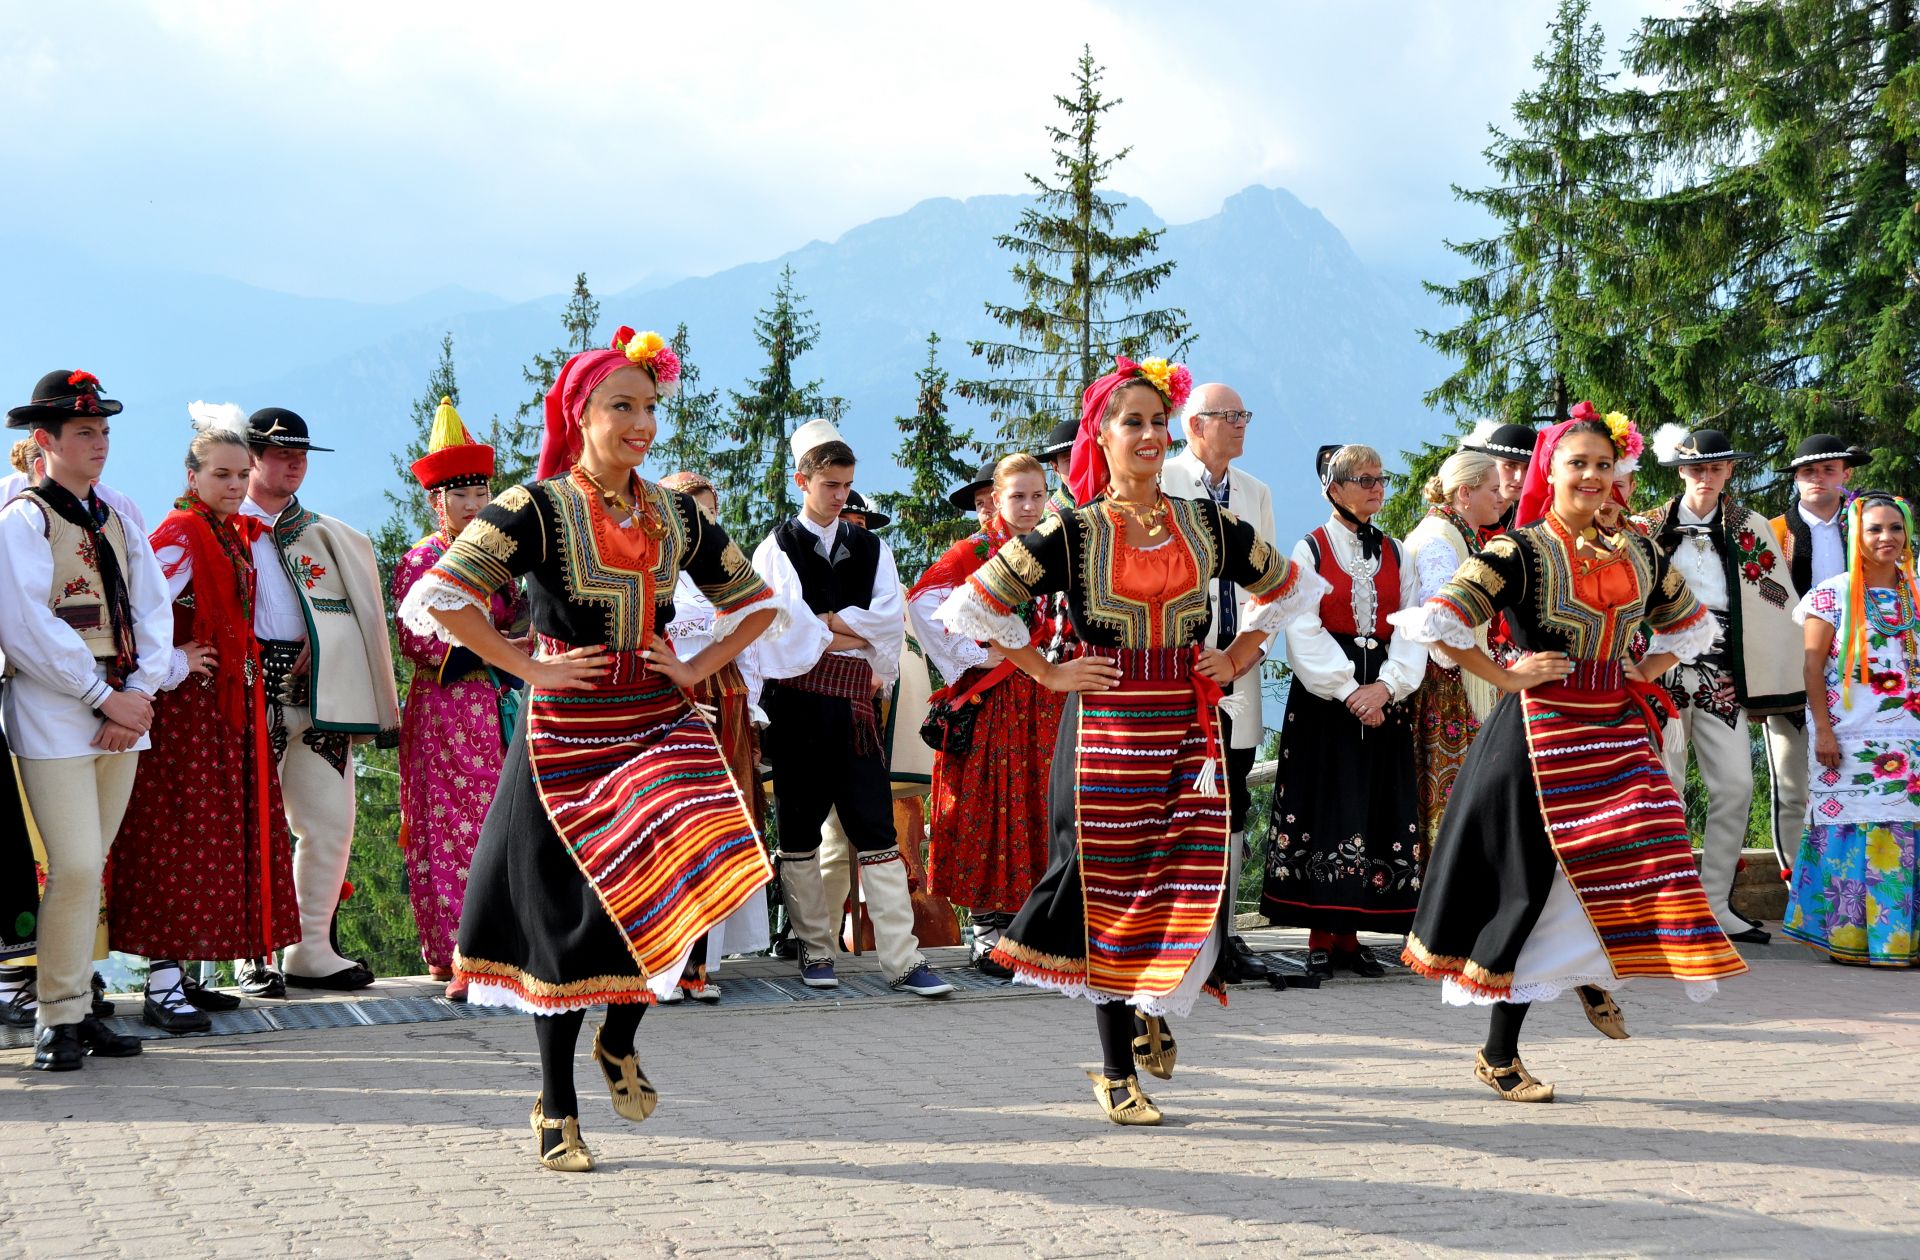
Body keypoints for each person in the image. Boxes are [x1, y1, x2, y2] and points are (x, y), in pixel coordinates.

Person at [401, 326, 781, 1171]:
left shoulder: (674, 512)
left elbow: (754, 604)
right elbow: (442, 598)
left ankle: (620, 1035)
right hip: (566, 734)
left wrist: (695, 664)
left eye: (649, 407)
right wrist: (524, 663)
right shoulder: (531, 507)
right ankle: (556, 1103)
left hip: (655, 715)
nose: (642, 424)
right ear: (581, 414)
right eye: (623, 407)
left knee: (705, 860)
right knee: (568, 929)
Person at [937, 354, 1316, 1126]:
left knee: (1187, 873)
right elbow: (971, 606)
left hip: (1185, 718)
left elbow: (1289, 585)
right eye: (1131, 422)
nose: (1149, 434)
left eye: (1155, 420)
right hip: (1105, 728)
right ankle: (1115, 1067)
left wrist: (1240, 653)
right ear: (1100, 435)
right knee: (1107, 886)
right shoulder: (1070, 532)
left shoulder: (1205, 521)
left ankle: (1155, 1002)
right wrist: (1043, 672)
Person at [1390, 405, 1747, 1103]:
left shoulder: (1639, 551)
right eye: (1577, 463)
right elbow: (1442, 623)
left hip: (1615, 726)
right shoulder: (1516, 551)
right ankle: (1501, 1052)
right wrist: (1506, 674)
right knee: (1534, 888)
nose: (1590, 476)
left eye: (1602, 465)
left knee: (1651, 846)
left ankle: (1598, 968)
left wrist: (1647, 669)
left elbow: (1689, 624)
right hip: (1541, 736)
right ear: (1547, 473)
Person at [105, 406, 300, 1033]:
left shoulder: (222, 532)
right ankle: (162, 986)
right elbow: (136, 615)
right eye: (222, 475)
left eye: (242, 475)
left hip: (223, 714)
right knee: (180, 838)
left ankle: (183, 974)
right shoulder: (179, 535)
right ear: (192, 476)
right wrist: (178, 661)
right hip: (185, 716)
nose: (236, 485)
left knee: (210, 840)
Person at [0, 369, 171, 1071]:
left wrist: (140, 691)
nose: (99, 443)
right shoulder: (24, 520)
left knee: (90, 865)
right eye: (84, 432)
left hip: (123, 711)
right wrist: (104, 698)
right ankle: (55, 1015)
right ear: (45, 441)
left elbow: (153, 610)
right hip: (58, 711)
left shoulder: (118, 519)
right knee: (71, 864)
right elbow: (24, 625)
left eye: (104, 431)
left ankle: (74, 1011)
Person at [748, 419, 952, 998]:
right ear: (802, 481)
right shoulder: (776, 549)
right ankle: (816, 949)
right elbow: (780, 632)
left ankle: (903, 959)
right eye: (830, 484)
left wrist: (831, 626)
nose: (841, 495)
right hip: (797, 709)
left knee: (876, 829)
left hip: (856, 713)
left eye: (847, 484)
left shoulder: (871, 546)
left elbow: (891, 623)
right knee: (800, 831)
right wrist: (847, 630)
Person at [239, 406, 400, 995]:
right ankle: (251, 952)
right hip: (245, 688)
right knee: (249, 823)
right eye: (281, 455)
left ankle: (308, 949)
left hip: (318, 694)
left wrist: (322, 637)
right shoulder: (215, 530)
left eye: (301, 455)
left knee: (329, 821)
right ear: (251, 457)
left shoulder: (332, 537)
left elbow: (357, 619)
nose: (294, 465)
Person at [1261, 445, 1428, 979]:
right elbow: (1302, 626)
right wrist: (1347, 690)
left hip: (1382, 690)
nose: (1377, 488)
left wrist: (1385, 687)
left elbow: (1411, 623)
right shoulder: (1308, 549)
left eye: (1381, 479)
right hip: (1324, 701)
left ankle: (1350, 937)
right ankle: (1318, 933)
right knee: (1323, 807)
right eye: (1364, 479)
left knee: (1371, 806)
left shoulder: (1398, 553)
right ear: (1333, 488)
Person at [1645, 426, 1803, 945]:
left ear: (1730, 470)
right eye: (1695, 469)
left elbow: (1777, 602)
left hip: (1722, 676)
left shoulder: (1751, 527)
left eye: (1715, 468)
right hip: (1659, 672)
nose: (1705, 477)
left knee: (1735, 785)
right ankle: (1665, 906)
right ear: (1680, 472)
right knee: (1662, 789)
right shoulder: (1646, 528)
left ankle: (1714, 902)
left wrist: (1761, 673)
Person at [910, 453, 1066, 977]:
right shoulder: (975, 551)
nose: (1028, 506)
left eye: (1036, 495)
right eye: (1017, 496)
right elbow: (923, 602)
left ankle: (1030, 926)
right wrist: (977, 653)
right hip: (993, 701)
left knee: (1041, 803)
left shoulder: (1054, 544)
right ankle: (984, 928)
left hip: (1046, 698)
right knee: (988, 805)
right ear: (995, 500)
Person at [391, 399, 517, 1000]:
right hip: (447, 706)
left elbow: (521, 621)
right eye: (460, 495)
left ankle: (498, 947)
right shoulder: (422, 561)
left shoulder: (499, 560)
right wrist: (502, 647)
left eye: (481, 494)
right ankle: (456, 951)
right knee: (451, 826)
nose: (473, 505)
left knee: (499, 822)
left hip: (499, 705)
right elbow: (420, 642)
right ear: (434, 501)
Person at [1162, 384, 1274, 984]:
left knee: (1232, 805)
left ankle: (1226, 936)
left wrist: (1245, 653)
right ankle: (1181, 938)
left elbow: (1274, 589)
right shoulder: (1166, 483)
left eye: (1243, 414)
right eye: (1228, 416)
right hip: (1182, 676)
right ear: (1194, 426)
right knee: (1182, 807)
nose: (1240, 425)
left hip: (1239, 672)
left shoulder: (1256, 492)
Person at [657, 469, 783, 1002]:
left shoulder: (724, 572)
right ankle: (664, 960)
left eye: (708, 514)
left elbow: (751, 644)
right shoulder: (654, 570)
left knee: (718, 829)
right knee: (673, 833)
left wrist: (750, 709)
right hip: (668, 705)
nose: (702, 524)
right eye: (691, 513)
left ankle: (701, 962)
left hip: (724, 703)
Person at [1782, 493, 1920, 967]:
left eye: (1895, 528)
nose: (1887, 538)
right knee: (1851, 829)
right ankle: (1853, 940)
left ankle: (1905, 942)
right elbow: (1812, 668)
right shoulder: (1831, 593)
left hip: (1912, 741)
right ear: (1855, 536)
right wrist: (1822, 731)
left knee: (1908, 830)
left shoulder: (1917, 593)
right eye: (1875, 529)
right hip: (1848, 741)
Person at [1765, 434, 1867, 877]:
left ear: (1846, 475)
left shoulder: (1871, 528)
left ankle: (1855, 878)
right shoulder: (1771, 533)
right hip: (1786, 669)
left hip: (1860, 673)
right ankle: (1796, 882)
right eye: (1808, 471)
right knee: (1791, 785)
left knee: (1860, 776)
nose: (1818, 478)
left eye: (1828, 469)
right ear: (1796, 480)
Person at [1402, 449, 1505, 865]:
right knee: (1452, 794)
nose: (1501, 498)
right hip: (1446, 687)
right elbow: (1441, 622)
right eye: (1493, 489)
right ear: (1465, 492)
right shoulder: (1438, 542)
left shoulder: (1452, 533)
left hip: (1456, 681)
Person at [1460, 419, 1537, 536]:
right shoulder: (1462, 514)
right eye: (1510, 465)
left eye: (1528, 467)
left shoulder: (1530, 521)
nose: (1519, 477)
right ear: (1490, 463)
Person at [1038, 418, 1079, 517]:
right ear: (1056, 468)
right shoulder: (1046, 518)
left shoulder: (1116, 499)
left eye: (1086, 456)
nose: (1079, 464)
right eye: (1069, 460)